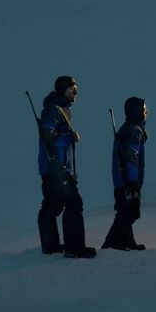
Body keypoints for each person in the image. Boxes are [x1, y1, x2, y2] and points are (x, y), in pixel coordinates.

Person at [37, 75, 97, 258]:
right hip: (58, 169)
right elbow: (49, 136)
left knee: (52, 205)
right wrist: (70, 137)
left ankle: (50, 246)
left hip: (56, 169)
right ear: (63, 90)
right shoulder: (53, 110)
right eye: (72, 89)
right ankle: (74, 248)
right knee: (73, 204)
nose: (76, 93)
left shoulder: (61, 109)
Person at [102, 96, 148, 251]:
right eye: (143, 109)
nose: (146, 112)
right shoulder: (133, 131)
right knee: (129, 212)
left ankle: (127, 241)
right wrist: (133, 181)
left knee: (126, 210)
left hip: (122, 180)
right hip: (127, 181)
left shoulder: (129, 129)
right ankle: (113, 244)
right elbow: (131, 156)